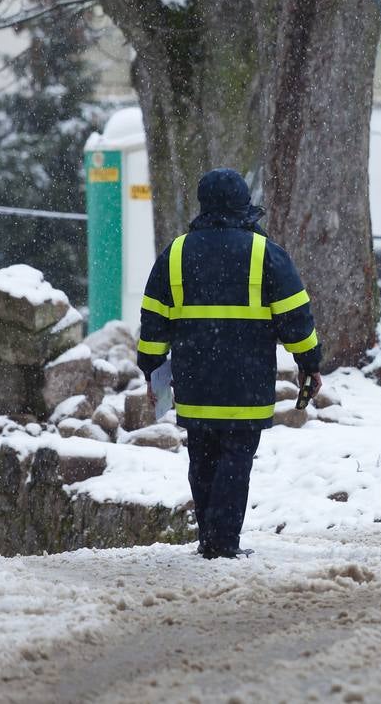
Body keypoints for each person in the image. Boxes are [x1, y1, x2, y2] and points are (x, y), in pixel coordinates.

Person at [136, 168, 322, 559]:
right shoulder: (263, 252)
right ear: (242, 205)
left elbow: (154, 320)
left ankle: (209, 538)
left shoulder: (176, 253)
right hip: (246, 383)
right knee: (236, 458)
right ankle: (223, 543)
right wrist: (309, 363)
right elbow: (295, 318)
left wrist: (152, 368)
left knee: (201, 458)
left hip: (195, 382)